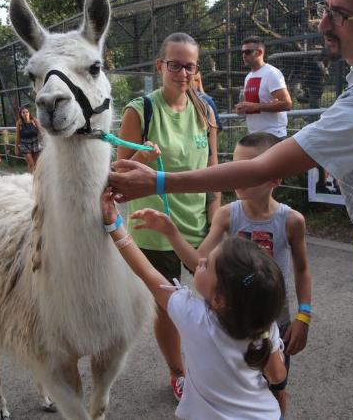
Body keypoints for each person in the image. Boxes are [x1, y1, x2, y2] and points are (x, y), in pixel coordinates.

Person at [109, 0, 353, 419]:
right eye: (325, 7)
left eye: (340, 14)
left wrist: (158, 182)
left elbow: (263, 167)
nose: (323, 23)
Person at [131, 131, 312, 416]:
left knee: (277, 383)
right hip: (230, 319)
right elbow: (199, 261)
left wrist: (304, 314)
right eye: (233, 167)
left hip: (274, 320)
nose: (235, 176)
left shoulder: (291, 221)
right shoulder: (227, 215)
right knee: (236, 382)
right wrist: (172, 233)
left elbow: (301, 268)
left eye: (246, 169)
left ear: (275, 177)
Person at [100, 189, 287, 420]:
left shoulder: (191, 316)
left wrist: (114, 223)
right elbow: (278, 375)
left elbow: (148, 272)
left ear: (219, 300)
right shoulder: (264, 325)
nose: (200, 261)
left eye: (206, 264)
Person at [116, 32, 220, 402]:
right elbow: (118, 175)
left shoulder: (205, 109)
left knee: (214, 300)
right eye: (174, 64)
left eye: (189, 65)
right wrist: (140, 159)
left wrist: (216, 220)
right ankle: (178, 372)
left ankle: (212, 367)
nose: (182, 72)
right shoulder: (140, 110)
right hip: (154, 231)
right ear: (160, 66)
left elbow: (213, 171)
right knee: (170, 308)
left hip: (199, 228)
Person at [235, 36, 292, 138]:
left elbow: (287, 104)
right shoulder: (248, 76)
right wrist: (242, 109)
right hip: (254, 136)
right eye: (242, 52)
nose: (244, 55)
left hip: (273, 135)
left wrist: (255, 106)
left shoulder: (272, 73)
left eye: (247, 52)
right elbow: (250, 105)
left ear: (260, 52)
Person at [15, 107, 43, 173]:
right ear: (21, 114)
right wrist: (16, 147)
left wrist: (44, 140)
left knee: (36, 164)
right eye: (23, 112)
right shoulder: (19, 123)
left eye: (27, 112)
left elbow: (40, 131)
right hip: (24, 144)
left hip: (35, 143)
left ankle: (35, 178)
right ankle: (31, 180)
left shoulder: (34, 120)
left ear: (29, 113)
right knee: (31, 163)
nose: (25, 114)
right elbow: (17, 136)